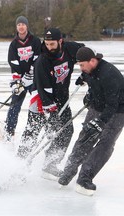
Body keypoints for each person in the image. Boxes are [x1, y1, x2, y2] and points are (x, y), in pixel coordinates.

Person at [18, 28, 84, 180]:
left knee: (66, 130)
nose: (49, 47)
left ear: (61, 41)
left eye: (52, 44)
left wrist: (85, 73)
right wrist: (52, 113)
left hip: (62, 98)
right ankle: (20, 163)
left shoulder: (70, 49)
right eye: (46, 44)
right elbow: (43, 90)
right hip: (41, 99)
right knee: (32, 132)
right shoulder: (42, 61)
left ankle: (50, 164)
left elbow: (86, 53)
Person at [58, 47, 124, 196]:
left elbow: (112, 104)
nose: (81, 68)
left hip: (117, 112)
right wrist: (84, 82)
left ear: (93, 61)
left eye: (82, 65)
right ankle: (68, 171)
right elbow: (90, 79)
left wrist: (101, 122)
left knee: (105, 144)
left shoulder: (109, 74)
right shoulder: (90, 70)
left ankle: (84, 178)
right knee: (85, 137)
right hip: (96, 107)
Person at [4, 16, 41, 142]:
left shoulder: (35, 41)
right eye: (18, 24)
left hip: (34, 79)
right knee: (14, 105)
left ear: (27, 26)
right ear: (16, 27)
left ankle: (36, 130)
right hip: (21, 80)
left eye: (23, 24)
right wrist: (17, 81)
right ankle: (9, 132)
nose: (21, 26)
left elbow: (38, 58)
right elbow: (13, 62)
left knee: (39, 103)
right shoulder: (14, 44)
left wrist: (30, 73)